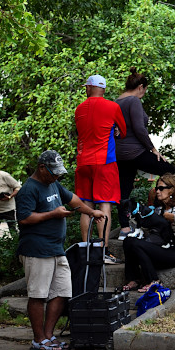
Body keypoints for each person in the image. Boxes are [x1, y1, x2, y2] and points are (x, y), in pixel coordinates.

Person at [16, 150, 105, 350]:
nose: (56, 176)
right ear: (41, 168)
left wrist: (91, 212)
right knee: (38, 295)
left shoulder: (54, 184)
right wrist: (52, 214)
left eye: (58, 173)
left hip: (57, 249)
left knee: (62, 291)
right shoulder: (29, 189)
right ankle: (38, 339)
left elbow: (73, 199)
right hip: (37, 250)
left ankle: (48, 335)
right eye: (53, 172)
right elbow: (24, 219)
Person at [115, 68, 175, 236]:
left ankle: (125, 228)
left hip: (120, 154)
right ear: (141, 87)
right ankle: (156, 208)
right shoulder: (133, 101)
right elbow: (139, 129)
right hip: (135, 151)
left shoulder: (116, 101)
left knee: (124, 190)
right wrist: (153, 148)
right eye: (145, 90)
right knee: (168, 171)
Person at [74, 74, 127, 258]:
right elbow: (123, 131)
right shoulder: (113, 107)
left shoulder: (79, 108)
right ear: (103, 89)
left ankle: (85, 249)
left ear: (89, 87)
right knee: (104, 205)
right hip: (104, 162)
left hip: (83, 162)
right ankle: (103, 251)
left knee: (85, 205)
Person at [121, 173, 175, 292]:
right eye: (156, 188)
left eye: (161, 188)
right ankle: (134, 279)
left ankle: (154, 281)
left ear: (171, 190)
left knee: (136, 244)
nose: (157, 191)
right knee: (129, 241)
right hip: (164, 249)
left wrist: (171, 217)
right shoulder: (159, 209)